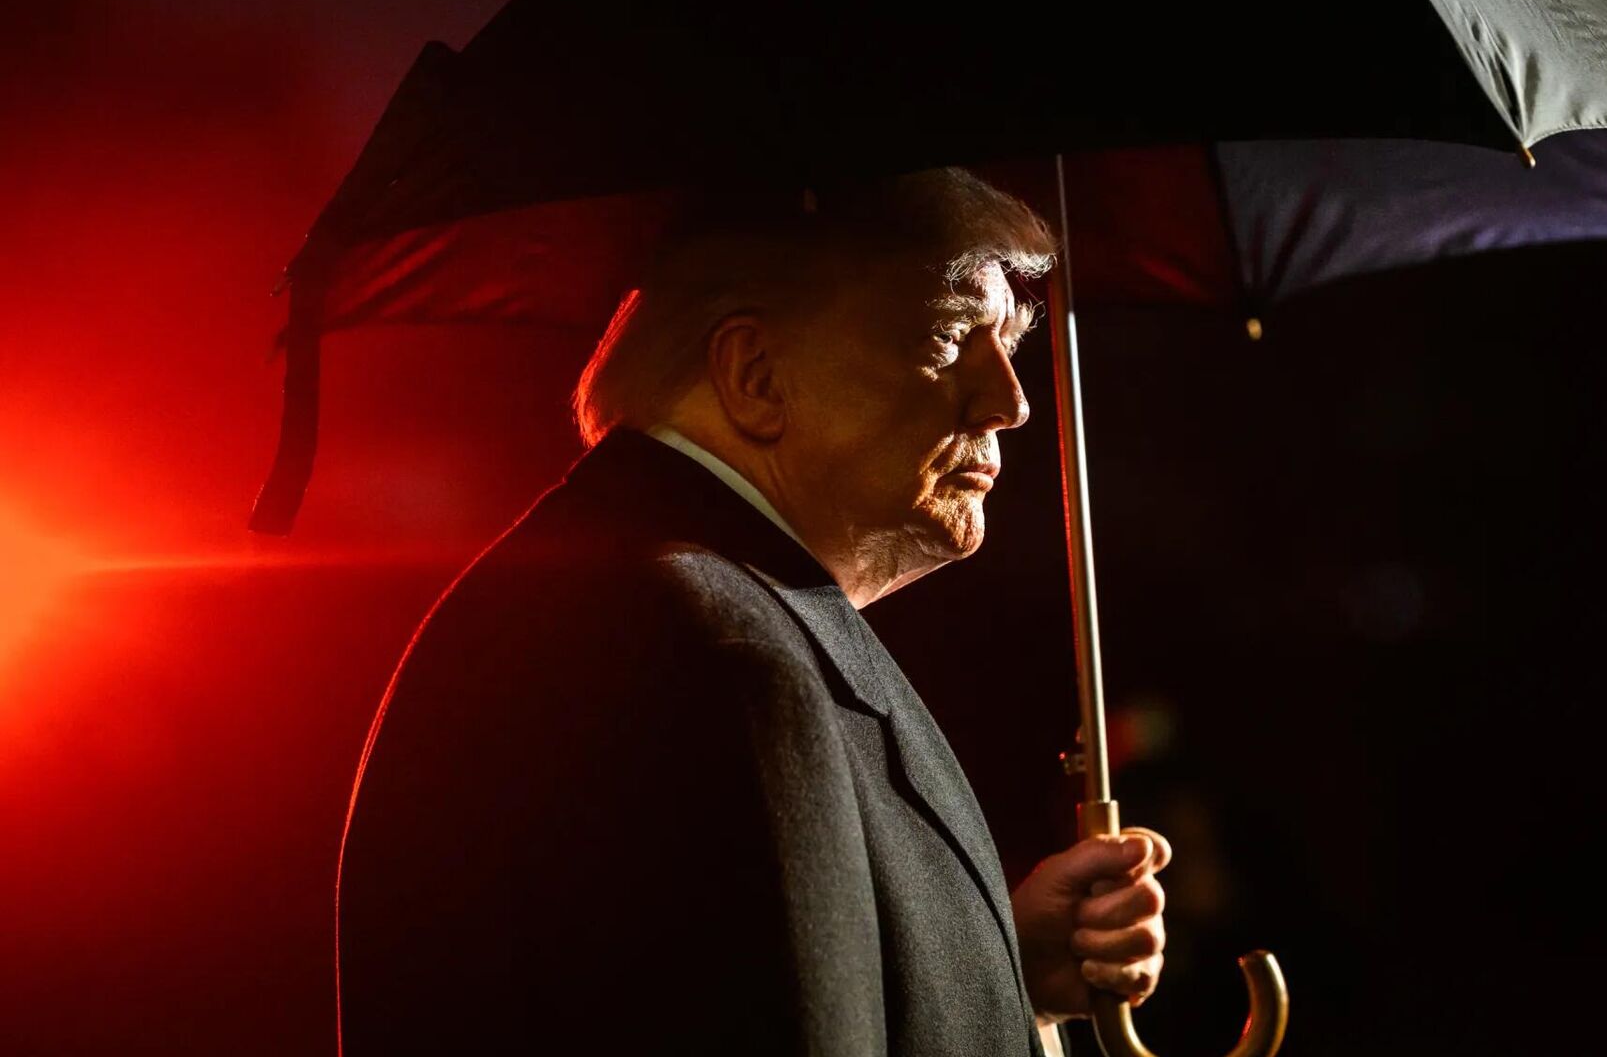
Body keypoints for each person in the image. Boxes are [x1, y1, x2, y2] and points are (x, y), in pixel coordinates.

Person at [335, 169, 1171, 1055]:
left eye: (1005, 342)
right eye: (949, 334)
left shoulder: (660, 607)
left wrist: (999, 979)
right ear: (755, 375)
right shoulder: (712, 654)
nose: (1011, 402)